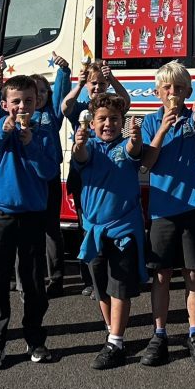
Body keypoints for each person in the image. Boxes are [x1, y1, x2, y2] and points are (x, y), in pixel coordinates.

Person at [0, 75, 61, 370]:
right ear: (5, 105)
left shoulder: (44, 130)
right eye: (16, 101)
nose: (22, 107)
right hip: (1, 214)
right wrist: (8, 129)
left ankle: (35, 338)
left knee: (33, 280)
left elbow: (49, 171)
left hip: (32, 215)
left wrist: (31, 144)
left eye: (28, 100)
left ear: (37, 102)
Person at [139, 61, 195, 366]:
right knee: (161, 274)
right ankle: (159, 334)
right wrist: (163, 128)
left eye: (179, 88)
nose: (173, 92)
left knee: (193, 273)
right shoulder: (150, 121)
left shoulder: (193, 119)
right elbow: (147, 163)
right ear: (157, 92)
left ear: (188, 91)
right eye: (167, 87)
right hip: (162, 209)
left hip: (192, 205)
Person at [71, 94, 146, 370]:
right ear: (92, 123)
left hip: (124, 230)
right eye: (102, 119)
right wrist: (78, 144)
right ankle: (111, 331)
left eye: (114, 119)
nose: (108, 124)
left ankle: (115, 342)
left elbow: (134, 150)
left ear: (122, 123)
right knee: (101, 287)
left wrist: (135, 139)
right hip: (94, 231)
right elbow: (80, 156)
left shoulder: (125, 146)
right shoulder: (89, 146)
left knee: (119, 288)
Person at [62, 59, 131, 297]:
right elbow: (65, 107)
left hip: (108, 172)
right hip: (83, 173)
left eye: (102, 83)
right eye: (94, 83)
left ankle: (109, 276)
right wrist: (79, 84)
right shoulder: (82, 106)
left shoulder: (111, 107)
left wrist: (112, 79)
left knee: (108, 223)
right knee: (86, 226)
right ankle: (90, 279)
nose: (97, 87)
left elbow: (126, 101)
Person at [29, 55, 71, 297]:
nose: (40, 95)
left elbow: (61, 96)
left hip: (50, 179)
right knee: (30, 229)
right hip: (29, 181)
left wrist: (63, 71)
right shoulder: (22, 117)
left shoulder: (52, 115)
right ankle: (32, 275)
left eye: (44, 91)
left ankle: (56, 278)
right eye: (35, 92)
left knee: (51, 229)